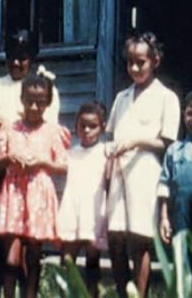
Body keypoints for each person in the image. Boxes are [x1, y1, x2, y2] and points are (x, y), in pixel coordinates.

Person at [106, 31, 180, 298]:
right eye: (130, 63)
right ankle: (122, 291)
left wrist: (137, 141)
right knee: (115, 237)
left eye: (141, 62)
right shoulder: (122, 97)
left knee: (139, 239)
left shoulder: (166, 97)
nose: (135, 68)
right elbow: (111, 134)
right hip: (119, 170)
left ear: (155, 61)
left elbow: (167, 142)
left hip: (146, 170)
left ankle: (140, 293)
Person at [0, 71, 67, 298]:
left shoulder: (53, 131)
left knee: (33, 256)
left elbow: (63, 165)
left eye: (40, 103)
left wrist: (43, 162)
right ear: (22, 100)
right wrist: (9, 158)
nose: (34, 107)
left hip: (38, 196)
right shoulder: (9, 127)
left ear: (48, 104)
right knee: (12, 258)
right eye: (30, 101)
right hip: (13, 193)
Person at [158, 89, 192, 271]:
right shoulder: (175, 149)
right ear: (184, 115)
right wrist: (164, 217)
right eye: (191, 113)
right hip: (181, 210)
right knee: (182, 253)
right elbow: (164, 184)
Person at [58, 101, 108, 298]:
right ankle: (65, 292)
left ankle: (91, 294)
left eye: (92, 126)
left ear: (102, 127)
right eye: (82, 125)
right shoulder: (71, 153)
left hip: (94, 212)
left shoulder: (106, 152)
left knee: (92, 260)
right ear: (76, 125)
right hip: (73, 209)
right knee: (67, 258)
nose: (86, 130)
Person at [0, 29, 60, 125]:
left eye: (22, 58)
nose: (15, 63)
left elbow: (49, 123)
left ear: (32, 60)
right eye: (11, 57)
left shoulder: (44, 88)